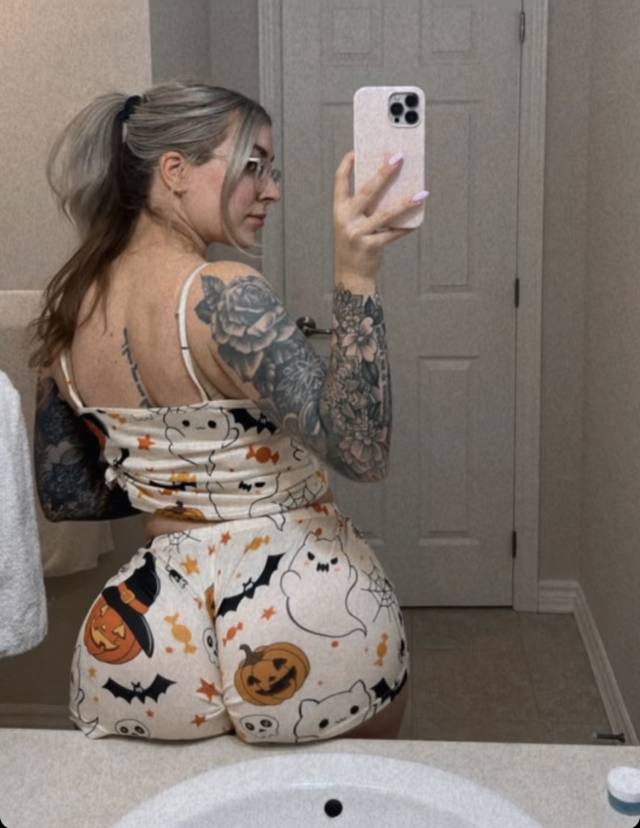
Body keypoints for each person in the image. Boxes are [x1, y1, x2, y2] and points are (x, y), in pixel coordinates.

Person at [30, 81, 428, 744]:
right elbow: (361, 451)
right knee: (343, 794)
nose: (271, 190)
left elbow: (67, 493)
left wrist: (181, 485)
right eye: (253, 166)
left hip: (154, 622)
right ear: (175, 171)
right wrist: (357, 275)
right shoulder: (220, 292)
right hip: (301, 606)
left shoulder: (71, 309)